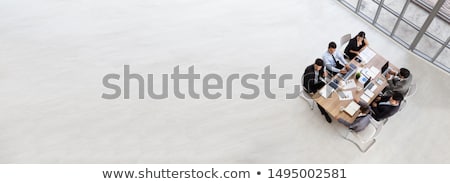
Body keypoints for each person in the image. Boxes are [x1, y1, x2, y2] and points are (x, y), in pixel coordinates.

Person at [302, 58, 332, 123]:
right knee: (317, 98)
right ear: (315, 64)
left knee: (327, 86)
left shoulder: (321, 67)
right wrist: (311, 92)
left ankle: (328, 101)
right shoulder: (309, 70)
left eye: (320, 68)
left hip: (317, 81)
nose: (319, 69)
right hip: (310, 86)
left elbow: (322, 74)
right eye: (317, 67)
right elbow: (307, 83)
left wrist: (324, 74)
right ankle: (324, 113)